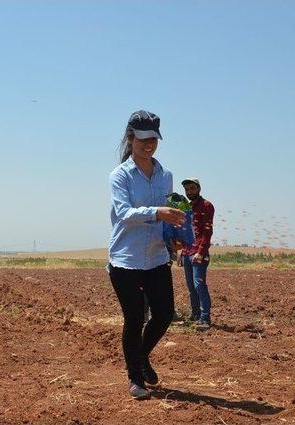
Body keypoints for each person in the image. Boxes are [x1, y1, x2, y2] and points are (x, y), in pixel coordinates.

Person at [108, 110, 186, 400]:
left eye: (153, 138)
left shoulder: (165, 176)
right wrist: (157, 212)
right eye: (142, 138)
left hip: (155, 257)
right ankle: (135, 378)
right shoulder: (120, 176)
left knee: (164, 313)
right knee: (134, 317)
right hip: (125, 259)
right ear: (131, 138)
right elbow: (125, 213)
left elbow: (168, 220)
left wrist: (174, 240)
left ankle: (140, 357)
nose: (148, 144)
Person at [178, 177, 214, 330]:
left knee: (199, 284)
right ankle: (195, 315)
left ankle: (205, 319)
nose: (189, 192)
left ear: (199, 189)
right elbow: (184, 230)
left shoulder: (206, 205)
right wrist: (181, 250)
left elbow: (207, 232)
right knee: (191, 286)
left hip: (198, 253)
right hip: (187, 252)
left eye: (192, 188)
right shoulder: (186, 207)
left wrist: (201, 252)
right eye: (187, 189)